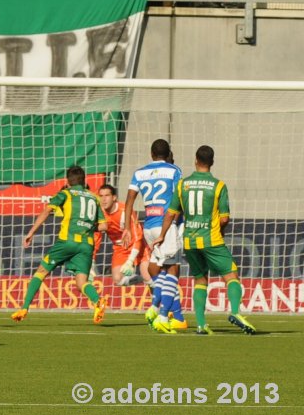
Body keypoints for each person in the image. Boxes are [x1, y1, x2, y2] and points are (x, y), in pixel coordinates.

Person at [154, 145, 257, 335]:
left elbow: (171, 213)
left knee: (200, 280)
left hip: (190, 242)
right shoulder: (218, 186)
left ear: (196, 160)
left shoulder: (182, 184)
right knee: (231, 275)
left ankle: (201, 325)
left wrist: (162, 235)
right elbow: (224, 218)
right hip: (211, 239)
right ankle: (235, 312)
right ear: (212, 162)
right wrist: (221, 229)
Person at [13, 166, 109, 324]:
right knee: (82, 282)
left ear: (68, 181)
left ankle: (24, 308)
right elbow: (104, 226)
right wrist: (86, 226)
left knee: (41, 272)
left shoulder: (65, 193)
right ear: (84, 180)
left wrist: (31, 232)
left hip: (67, 241)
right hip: (87, 244)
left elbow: (46, 211)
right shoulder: (93, 197)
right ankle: (98, 301)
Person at [122, 139, 185, 333]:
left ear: (151, 154)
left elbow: (129, 200)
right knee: (173, 269)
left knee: (157, 268)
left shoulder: (139, 173)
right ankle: (161, 313)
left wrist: (127, 227)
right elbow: (179, 197)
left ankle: (171, 313)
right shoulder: (175, 171)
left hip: (148, 226)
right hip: (166, 226)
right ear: (168, 154)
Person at [93, 184, 152, 287]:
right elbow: (96, 237)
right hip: (120, 248)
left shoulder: (125, 210)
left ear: (114, 198)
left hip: (139, 245)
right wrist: (92, 262)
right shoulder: (99, 214)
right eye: (101, 196)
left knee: (148, 277)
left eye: (107, 195)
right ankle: (133, 278)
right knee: (117, 279)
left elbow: (137, 236)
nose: (103, 199)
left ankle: (157, 300)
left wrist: (130, 260)